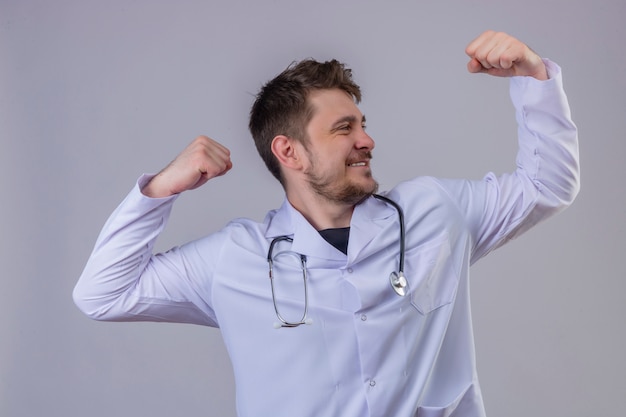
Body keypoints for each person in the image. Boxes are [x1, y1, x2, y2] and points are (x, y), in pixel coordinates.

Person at [73, 30, 580, 417]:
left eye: (363, 124)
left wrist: (531, 77)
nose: (366, 140)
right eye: (344, 128)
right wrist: (161, 189)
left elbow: (546, 186)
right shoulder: (236, 259)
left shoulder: (433, 213)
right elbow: (102, 294)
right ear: (288, 150)